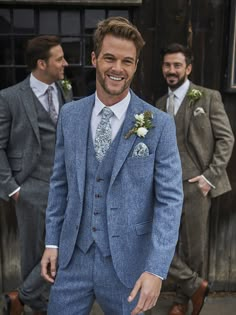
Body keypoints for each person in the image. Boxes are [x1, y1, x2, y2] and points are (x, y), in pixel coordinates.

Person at [41, 17, 183, 315]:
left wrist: (156, 271)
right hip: (72, 260)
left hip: (129, 265)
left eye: (127, 61)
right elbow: (59, 184)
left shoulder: (160, 124)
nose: (118, 68)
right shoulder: (70, 115)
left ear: (135, 65)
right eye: (109, 58)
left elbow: (170, 201)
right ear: (94, 59)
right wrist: (52, 242)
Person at [156, 43, 234, 315]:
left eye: (177, 65)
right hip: (165, 187)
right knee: (158, 242)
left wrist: (208, 178)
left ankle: (182, 301)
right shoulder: (159, 104)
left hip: (196, 187)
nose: (172, 70)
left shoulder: (208, 97)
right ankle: (194, 285)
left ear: (188, 68)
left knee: (195, 248)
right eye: (167, 65)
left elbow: (226, 139)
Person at [0, 35, 73, 315]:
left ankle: (21, 295)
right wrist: (13, 188)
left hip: (64, 186)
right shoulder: (10, 97)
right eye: (59, 59)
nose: (65, 63)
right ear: (42, 64)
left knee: (65, 243)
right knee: (33, 253)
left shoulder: (64, 90)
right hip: (29, 187)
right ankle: (40, 306)